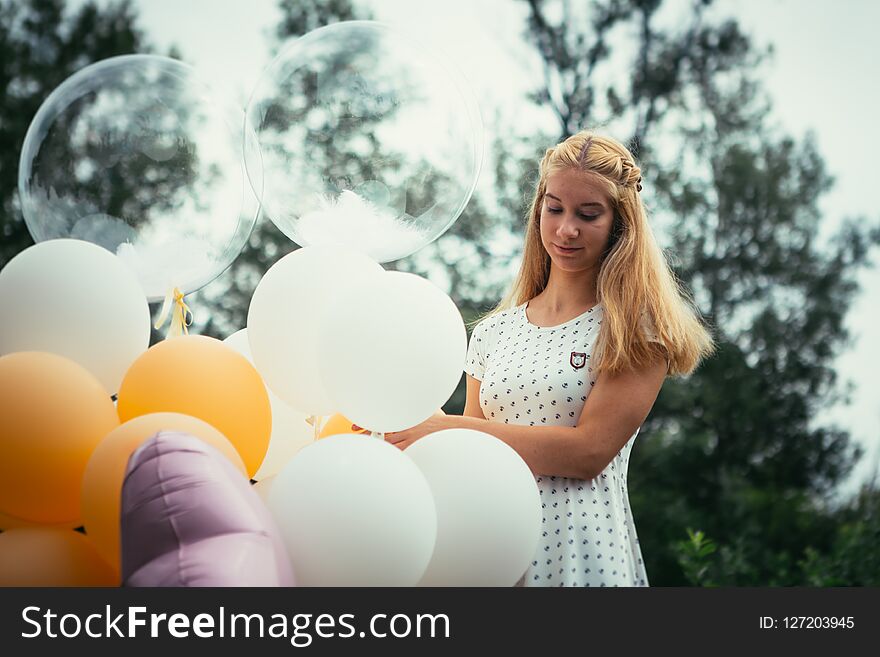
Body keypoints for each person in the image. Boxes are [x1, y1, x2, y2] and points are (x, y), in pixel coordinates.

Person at [387, 130, 715, 587]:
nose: (566, 229)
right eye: (555, 207)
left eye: (588, 214)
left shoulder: (634, 331)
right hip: (494, 548)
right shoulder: (492, 333)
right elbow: (472, 461)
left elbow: (588, 453)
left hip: (580, 552)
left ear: (620, 224)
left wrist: (448, 428)